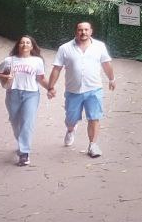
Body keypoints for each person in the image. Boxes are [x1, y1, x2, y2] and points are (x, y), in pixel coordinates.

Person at [46, 20, 114, 158]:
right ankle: (71, 130)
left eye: (86, 29)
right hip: (73, 91)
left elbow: (106, 64)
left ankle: (93, 145)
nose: (83, 32)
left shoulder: (99, 46)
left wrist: (112, 79)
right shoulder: (65, 48)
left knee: (94, 118)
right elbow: (57, 68)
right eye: (80, 30)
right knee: (71, 119)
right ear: (75, 32)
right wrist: (50, 87)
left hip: (94, 89)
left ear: (91, 31)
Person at [0, 35, 51, 165]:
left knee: (27, 122)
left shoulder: (37, 61)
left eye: (27, 43)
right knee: (15, 122)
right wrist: (6, 76)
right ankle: (21, 142)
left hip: (31, 94)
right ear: (18, 46)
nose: (24, 45)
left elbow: (41, 78)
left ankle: (24, 153)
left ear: (32, 46)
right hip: (12, 93)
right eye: (22, 43)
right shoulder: (9, 60)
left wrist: (50, 88)